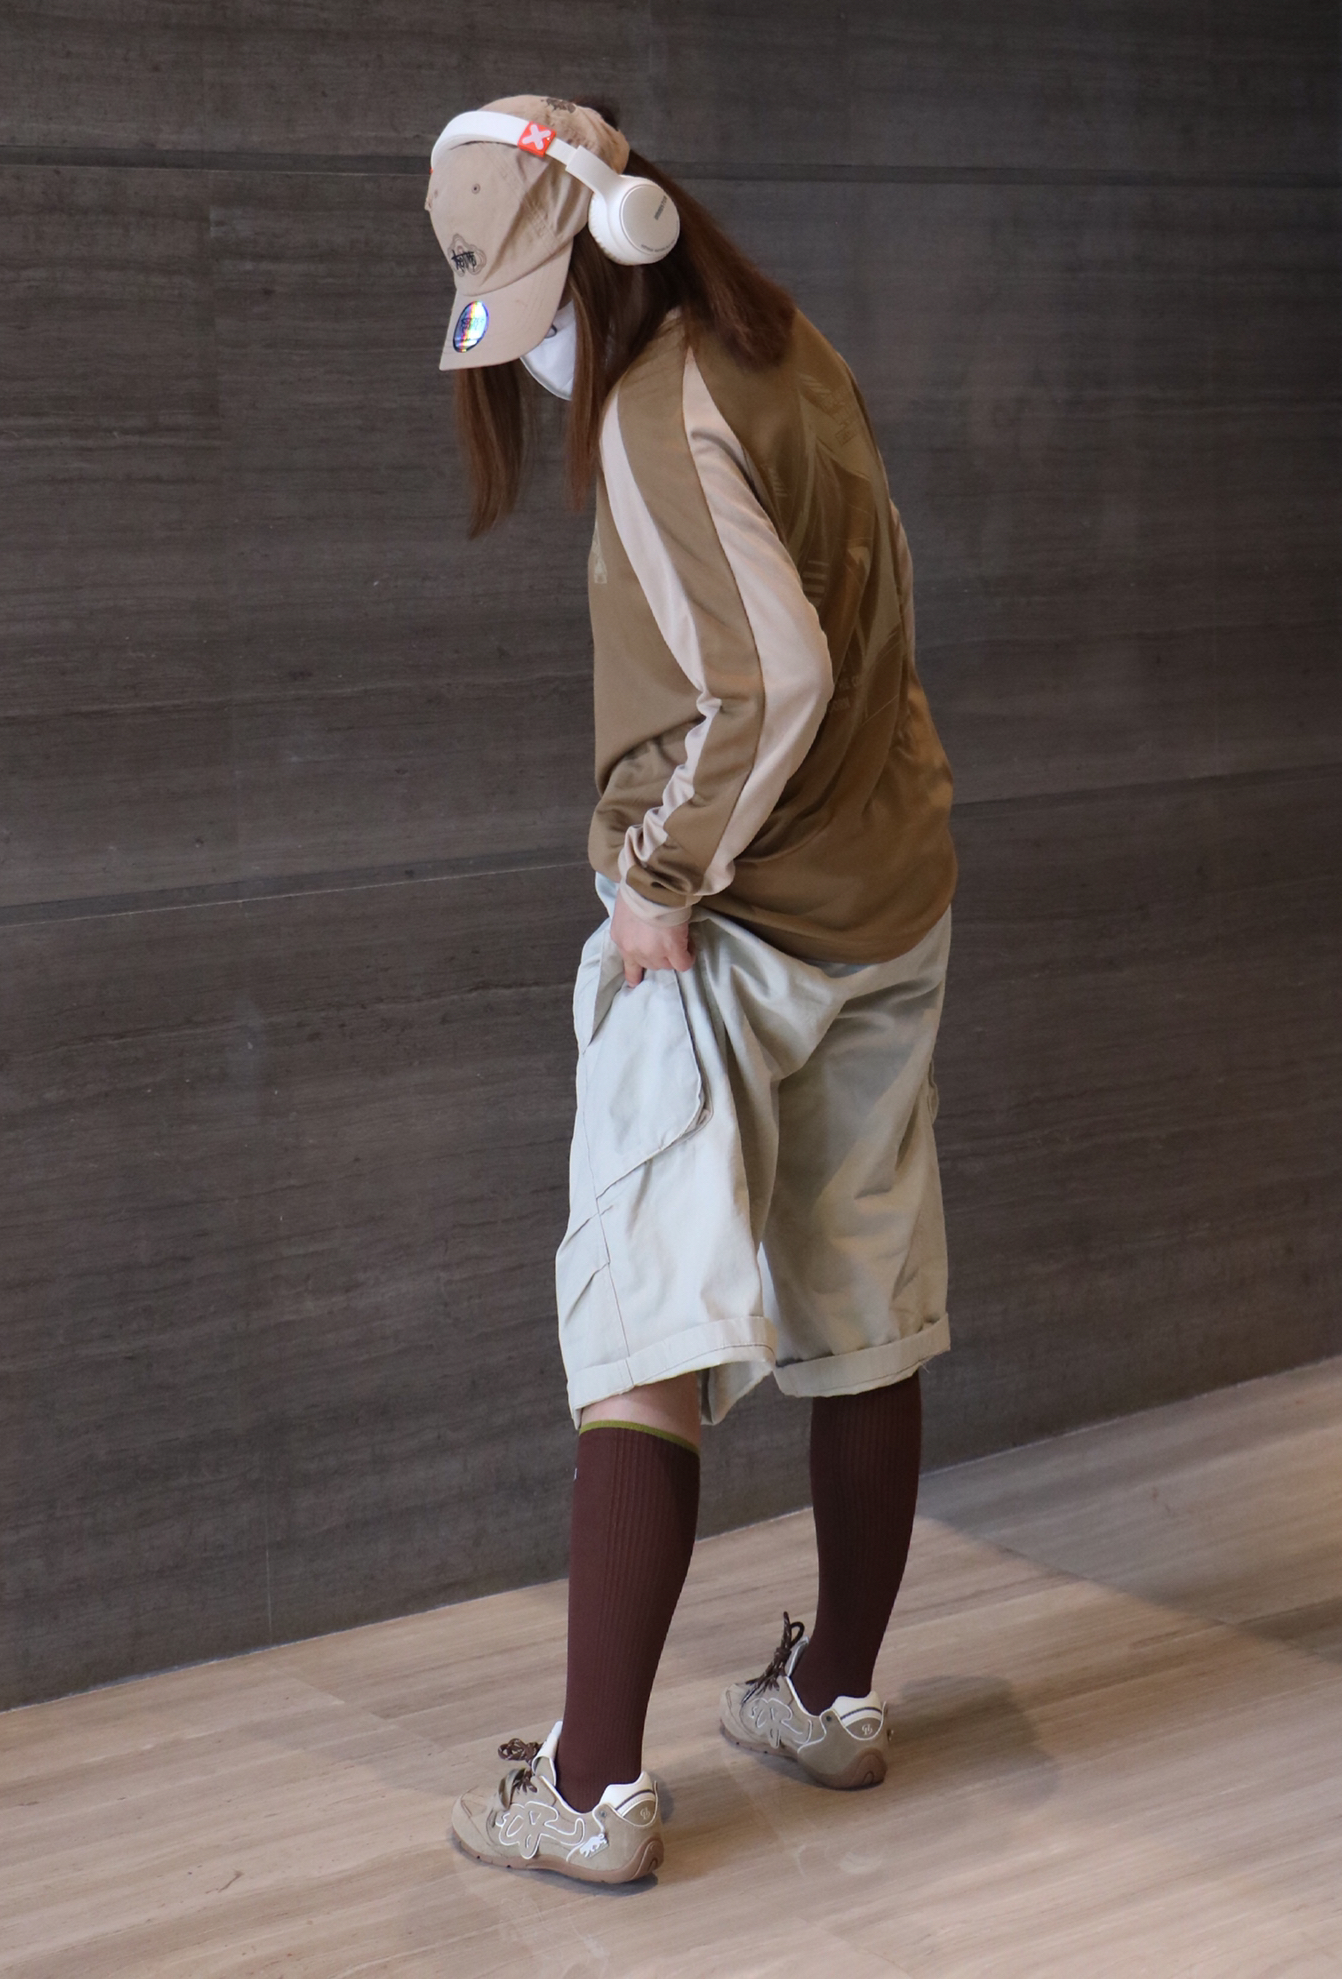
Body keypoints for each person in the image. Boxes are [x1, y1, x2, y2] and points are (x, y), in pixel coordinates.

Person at [425, 97, 956, 1886]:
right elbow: (879, 617)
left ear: (602, 253)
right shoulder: (786, 346)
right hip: (883, 904)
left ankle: (587, 1793)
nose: (530, 360)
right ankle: (836, 1700)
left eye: (530, 311)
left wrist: (657, 881)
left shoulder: (659, 411)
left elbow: (772, 679)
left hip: (726, 929)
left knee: (639, 1333)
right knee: (860, 1303)